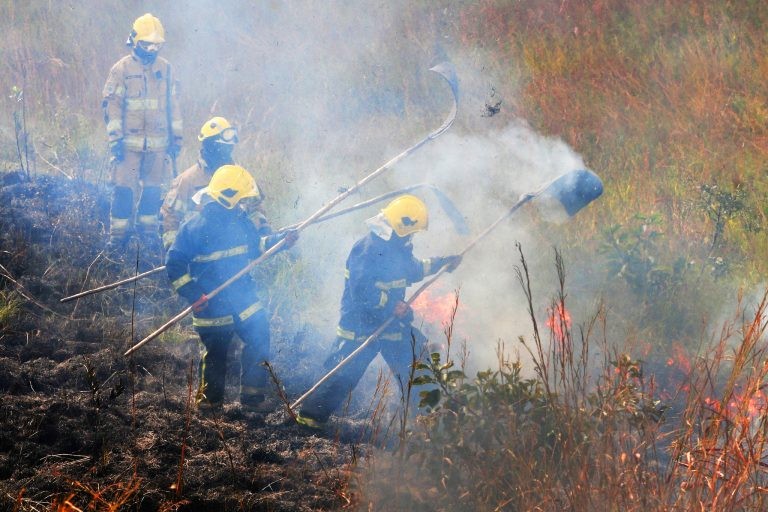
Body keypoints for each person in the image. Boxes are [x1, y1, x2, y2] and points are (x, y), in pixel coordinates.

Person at [296, 195, 461, 428]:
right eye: (411, 231)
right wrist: (391, 305)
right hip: (360, 326)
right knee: (345, 374)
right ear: (401, 227)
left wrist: (442, 263)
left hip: (391, 325)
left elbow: (413, 269)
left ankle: (429, 420)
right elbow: (361, 291)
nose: (412, 237)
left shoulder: (396, 247)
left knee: (416, 364)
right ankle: (309, 420)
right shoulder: (367, 250)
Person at [165, 164, 297, 413]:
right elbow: (174, 264)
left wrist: (281, 242)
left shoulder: (240, 220)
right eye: (240, 200)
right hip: (212, 304)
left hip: (242, 297)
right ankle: (210, 406)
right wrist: (193, 295)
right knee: (217, 354)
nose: (243, 206)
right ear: (228, 198)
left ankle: (252, 400)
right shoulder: (194, 227)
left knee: (259, 336)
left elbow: (256, 247)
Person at [102, 13, 183, 254]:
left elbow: (173, 106)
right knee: (123, 191)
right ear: (135, 42)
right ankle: (117, 239)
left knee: (153, 191)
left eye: (156, 45)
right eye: (147, 44)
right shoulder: (121, 69)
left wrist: (176, 139)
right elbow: (111, 104)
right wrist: (115, 138)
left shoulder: (166, 69)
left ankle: (147, 235)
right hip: (128, 147)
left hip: (157, 147)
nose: (152, 49)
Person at [160, 116, 243, 251]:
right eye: (224, 148)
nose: (227, 154)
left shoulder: (239, 176)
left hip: (235, 255)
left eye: (229, 148)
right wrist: (174, 251)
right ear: (211, 146)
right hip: (198, 256)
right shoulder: (187, 180)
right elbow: (170, 217)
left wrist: (263, 230)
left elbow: (254, 208)